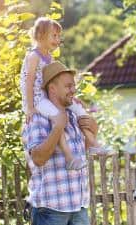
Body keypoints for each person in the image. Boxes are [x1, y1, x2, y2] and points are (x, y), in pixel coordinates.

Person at [20, 17, 109, 171]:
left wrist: (72, 98)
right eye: (54, 35)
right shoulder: (34, 56)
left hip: (47, 95)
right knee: (58, 117)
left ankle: (93, 143)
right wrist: (29, 107)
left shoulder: (49, 57)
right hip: (37, 99)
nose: (57, 39)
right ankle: (69, 157)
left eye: (58, 36)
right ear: (41, 35)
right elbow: (29, 82)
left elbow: (55, 83)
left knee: (79, 109)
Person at [23, 61, 96, 225]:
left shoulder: (72, 115)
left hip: (78, 207)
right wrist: (57, 128)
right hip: (50, 210)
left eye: (73, 85)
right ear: (53, 89)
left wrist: (93, 131)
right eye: (68, 86)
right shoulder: (37, 117)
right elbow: (38, 158)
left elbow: (82, 153)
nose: (73, 90)